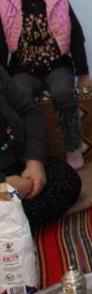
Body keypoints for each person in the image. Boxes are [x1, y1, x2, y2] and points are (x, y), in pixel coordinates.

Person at [0, 0, 92, 171]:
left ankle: (72, 146)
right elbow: (1, 43)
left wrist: (83, 74)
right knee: (17, 96)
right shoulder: (4, 5)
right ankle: (29, 155)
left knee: (63, 92)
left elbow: (76, 37)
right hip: (23, 69)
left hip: (57, 66)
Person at [0, 66, 80, 231]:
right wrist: (4, 187)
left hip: (17, 164)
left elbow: (29, 113)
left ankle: (11, 225)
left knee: (67, 181)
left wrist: (34, 161)